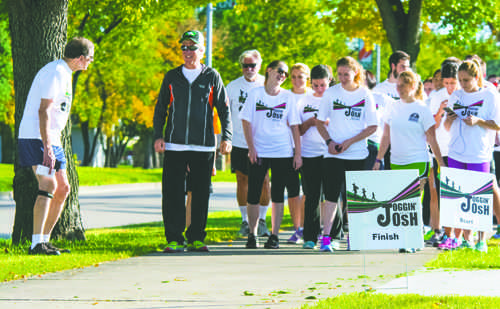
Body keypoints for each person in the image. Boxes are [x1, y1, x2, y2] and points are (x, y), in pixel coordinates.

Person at [153, 30, 232, 253]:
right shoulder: (172, 76)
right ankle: (174, 239)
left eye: (192, 47)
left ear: (202, 50)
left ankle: (197, 237)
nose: (188, 52)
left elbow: (224, 110)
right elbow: (161, 109)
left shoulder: (211, 76)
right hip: (174, 144)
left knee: (200, 193)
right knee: (172, 193)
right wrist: (158, 136)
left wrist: (226, 137)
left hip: (204, 145)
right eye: (184, 47)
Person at [18, 37, 94, 255]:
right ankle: (35, 244)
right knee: (49, 184)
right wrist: (47, 146)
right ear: (80, 58)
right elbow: (43, 111)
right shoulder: (55, 72)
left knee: (63, 188)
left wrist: (53, 143)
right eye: (89, 58)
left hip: (53, 137)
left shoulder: (65, 73)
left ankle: (44, 240)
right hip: (37, 137)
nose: (90, 62)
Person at [373, 70, 445, 253]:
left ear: (413, 86)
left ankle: (412, 240)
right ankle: (410, 235)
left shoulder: (422, 109)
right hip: (397, 159)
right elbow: (386, 136)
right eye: (398, 85)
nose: (400, 89)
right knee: (401, 202)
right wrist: (378, 158)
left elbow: (432, 139)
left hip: (418, 160)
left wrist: (441, 163)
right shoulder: (393, 107)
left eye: (403, 85)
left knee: (412, 200)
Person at [317, 56, 378, 252]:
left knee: (354, 199)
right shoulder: (331, 93)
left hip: (358, 154)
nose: (342, 77)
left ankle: (355, 237)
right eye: (339, 74)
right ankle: (326, 237)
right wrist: (329, 142)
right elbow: (320, 121)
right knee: (331, 197)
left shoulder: (365, 94)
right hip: (333, 154)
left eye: (346, 74)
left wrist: (350, 142)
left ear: (355, 73)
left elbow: (373, 126)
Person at [240, 60, 302, 249]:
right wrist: (251, 147)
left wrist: (297, 153)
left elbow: (294, 126)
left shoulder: (288, 97)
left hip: (282, 151)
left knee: (277, 193)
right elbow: (246, 122)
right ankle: (252, 234)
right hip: (259, 150)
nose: (282, 75)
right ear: (269, 71)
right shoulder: (255, 94)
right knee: (254, 192)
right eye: (280, 71)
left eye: (285, 73)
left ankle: (274, 236)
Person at [443, 59, 500, 253]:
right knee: (459, 197)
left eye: (466, 80)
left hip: (479, 152)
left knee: (480, 198)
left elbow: (497, 124)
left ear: (477, 77)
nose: (462, 84)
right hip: (456, 151)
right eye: (460, 80)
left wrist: (478, 121)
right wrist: (449, 119)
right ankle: (467, 238)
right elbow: (445, 126)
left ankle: (482, 240)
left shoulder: (489, 94)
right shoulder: (456, 95)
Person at [226, 49, 271, 237]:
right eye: (245, 65)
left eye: (252, 65)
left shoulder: (266, 85)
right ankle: (244, 221)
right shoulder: (232, 87)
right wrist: (225, 138)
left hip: (263, 143)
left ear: (259, 66)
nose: (249, 69)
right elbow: (225, 114)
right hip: (239, 141)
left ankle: (262, 220)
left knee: (264, 181)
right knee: (241, 180)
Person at [427, 60, 461, 248]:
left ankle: (459, 234)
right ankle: (442, 232)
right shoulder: (436, 96)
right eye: (446, 83)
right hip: (440, 151)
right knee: (441, 193)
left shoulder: (463, 94)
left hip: (459, 150)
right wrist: (440, 111)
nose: (449, 87)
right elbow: (432, 125)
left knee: (457, 193)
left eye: (452, 83)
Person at [298, 64, 331, 249]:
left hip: (329, 153)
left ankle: (332, 234)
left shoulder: (335, 99)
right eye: (316, 85)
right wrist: (311, 122)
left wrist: (325, 123)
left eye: (323, 85)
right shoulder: (303, 101)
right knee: (311, 196)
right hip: (309, 153)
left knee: (331, 197)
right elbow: (298, 130)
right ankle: (310, 236)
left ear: (329, 81)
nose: (319, 89)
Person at [287, 63, 312, 244]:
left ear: (307, 78)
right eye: (294, 77)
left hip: (309, 149)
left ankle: (306, 226)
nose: (297, 80)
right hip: (287, 148)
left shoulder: (313, 96)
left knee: (308, 191)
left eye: (300, 76)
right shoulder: (285, 96)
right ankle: (297, 229)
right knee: (293, 191)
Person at [373, 51, 411, 169]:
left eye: (407, 67)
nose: (406, 70)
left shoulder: (412, 88)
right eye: (402, 66)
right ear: (393, 66)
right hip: (387, 142)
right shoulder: (379, 90)